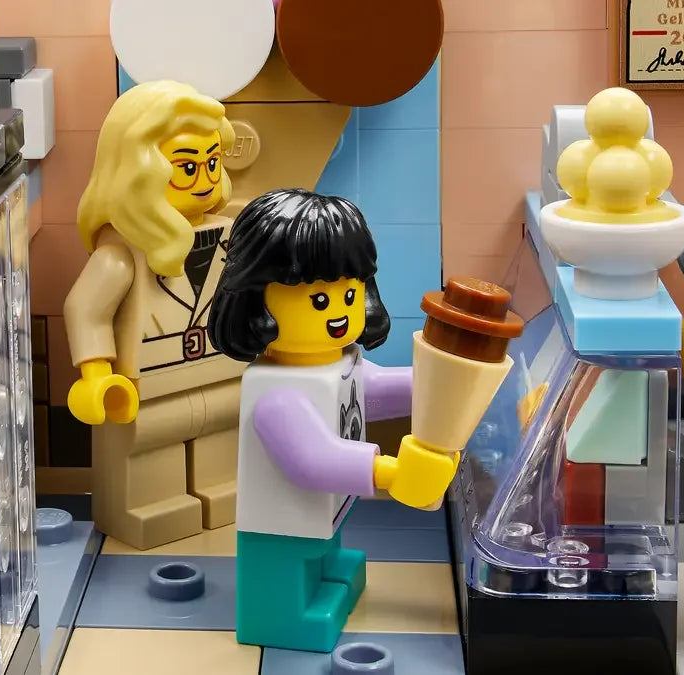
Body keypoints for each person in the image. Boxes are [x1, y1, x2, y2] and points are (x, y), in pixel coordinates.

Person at [209, 188, 453, 652]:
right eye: (318, 300)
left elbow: (371, 390)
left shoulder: (340, 361)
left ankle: (328, 574)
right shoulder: (276, 393)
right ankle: (284, 614)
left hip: (328, 503)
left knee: (326, 538)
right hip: (279, 521)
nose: (340, 313)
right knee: (290, 560)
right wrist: (390, 473)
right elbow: (312, 462)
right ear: (257, 300)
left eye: (349, 294)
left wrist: (436, 386)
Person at [65, 80, 241, 550]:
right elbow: (86, 309)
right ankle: (150, 506)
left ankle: (221, 490)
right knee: (147, 452)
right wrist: (96, 374)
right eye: (186, 167)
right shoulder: (123, 252)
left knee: (221, 440)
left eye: (212, 162)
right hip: (148, 387)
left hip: (221, 371)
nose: (204, 179)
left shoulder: (230, 235)